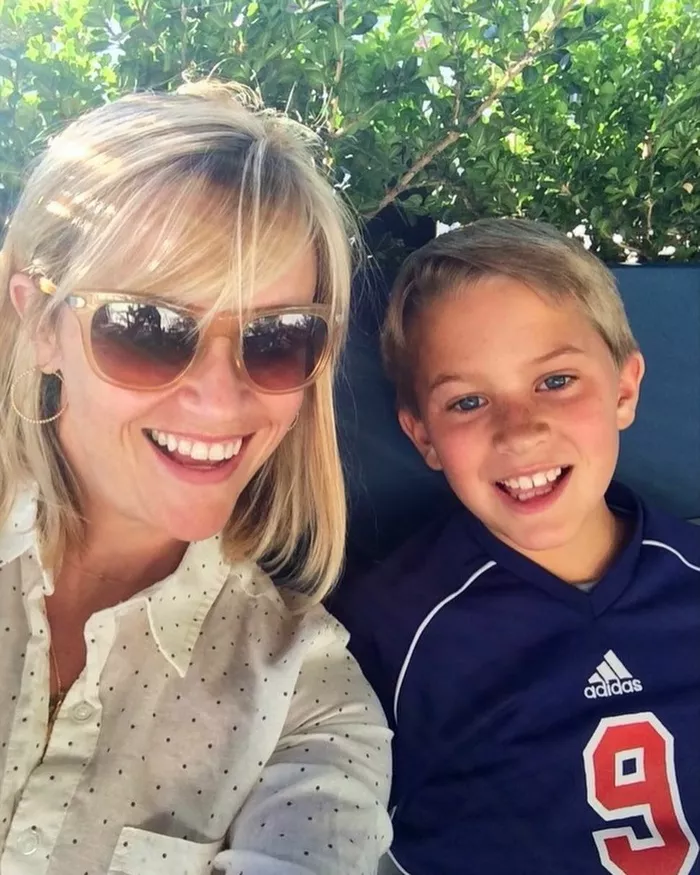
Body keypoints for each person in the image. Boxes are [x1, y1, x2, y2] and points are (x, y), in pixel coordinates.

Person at [0, 80, 392, 875]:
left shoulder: (309, 703)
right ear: (42, 323)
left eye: (277, 337)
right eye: (146, 327)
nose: (220, 398)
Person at [331, 218, 700, 875]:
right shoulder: (384, 635)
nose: (520, 432)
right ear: (423, 438)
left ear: (624, 389)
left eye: (555, 381)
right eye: (468, 401)